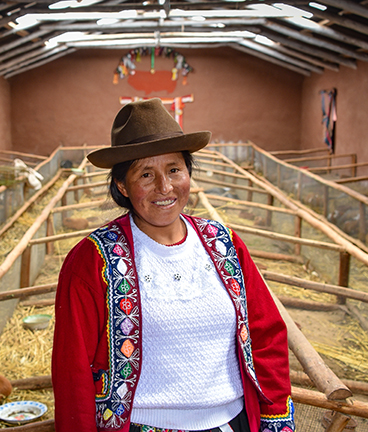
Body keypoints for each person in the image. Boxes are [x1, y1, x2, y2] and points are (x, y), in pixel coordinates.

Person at [52, 98, 295, 432]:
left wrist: (275, 419)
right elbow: (72, 368)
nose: (165, 188)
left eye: (174, 170)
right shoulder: (93, 261)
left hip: (232, 424)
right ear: (123, 186)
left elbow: (265, 334)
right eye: (146, 174)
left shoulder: (224, 244)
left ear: (188, 173)